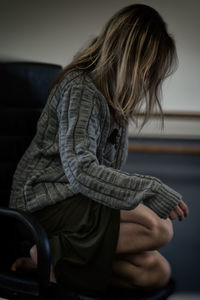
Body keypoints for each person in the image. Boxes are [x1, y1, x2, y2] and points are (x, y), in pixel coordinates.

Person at [9, 4, 188, 292]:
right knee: (158, 227)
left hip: (80, 202)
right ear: (128, 54)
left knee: (156, 272)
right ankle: (51, 254)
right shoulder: (81, 88)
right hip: (45, 202)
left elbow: (101, 175)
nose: (146, 76)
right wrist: (150, 188)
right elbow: (80, 170)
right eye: (146, 65)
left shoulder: (115, 101)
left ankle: (48, 261)